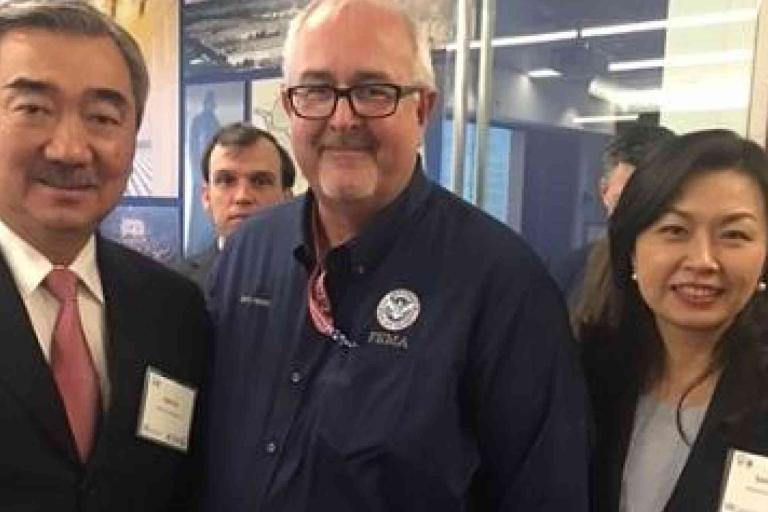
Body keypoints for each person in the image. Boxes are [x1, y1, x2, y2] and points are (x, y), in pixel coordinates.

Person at [204, 1, 589, 510]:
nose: (342, 119)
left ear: (422, 110)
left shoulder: (502, 285)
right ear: (290, 106)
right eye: (317, 91)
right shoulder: (249, 253)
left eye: (372, 91)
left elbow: (544, 496)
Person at [0, 2, 209, 510]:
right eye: (33, 109)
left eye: (102, 117)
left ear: (133, 135)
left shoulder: (173, 308)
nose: (70, 149)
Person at [579, 129, 768, 511]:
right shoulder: (583, 377)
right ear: (631, 250)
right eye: (674, 231)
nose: (702, 261)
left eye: (733, 234)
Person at [553, 123, 674, 300]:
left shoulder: (693, 274)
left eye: (653, 200)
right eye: (624, 200)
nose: (637, 214)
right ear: (604, 192)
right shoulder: (571, 273)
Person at [176, 122, 295, 288]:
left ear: (287, 199)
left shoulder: (316, 284)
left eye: (260, 181)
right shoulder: (175, 285)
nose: (242, 197)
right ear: (206, 197)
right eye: (226, 180)